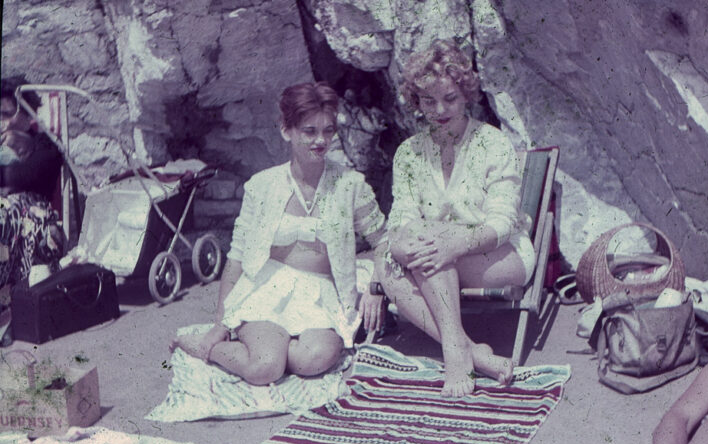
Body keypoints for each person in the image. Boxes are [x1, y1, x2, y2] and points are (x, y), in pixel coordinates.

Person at [170, 81, 387, 384]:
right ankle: (207, 346)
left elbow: (385, 242)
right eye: (309, 131)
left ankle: (274, 347)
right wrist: (219, 325)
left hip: (321, 294)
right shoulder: (262, 186)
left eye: (328, 131)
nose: (320, 140)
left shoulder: (351, 185)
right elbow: (237, 258)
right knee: (265, 369)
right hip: (267, 289)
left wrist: (376, 288)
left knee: (315, 359)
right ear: (287, 130)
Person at [378, 40, 536, 397]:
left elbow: (502, 221)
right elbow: (401, 218)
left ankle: (454, 353)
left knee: (417, 251)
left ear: (466, 94)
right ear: (416, 102)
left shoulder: (492, 143)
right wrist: (421, 243)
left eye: (449, 98)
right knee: (385, 260)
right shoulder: (408, 153)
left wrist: (456, 241)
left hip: (498, 253)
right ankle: (470, 352)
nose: (440, 109)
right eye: (428, 100)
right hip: (435, 252)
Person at [1, 77, 65, 346]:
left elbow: (29, 175)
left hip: (33, 225)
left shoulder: (45, 147)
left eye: (5, 114)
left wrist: (16, 147)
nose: (0, 122)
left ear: (27, 118)